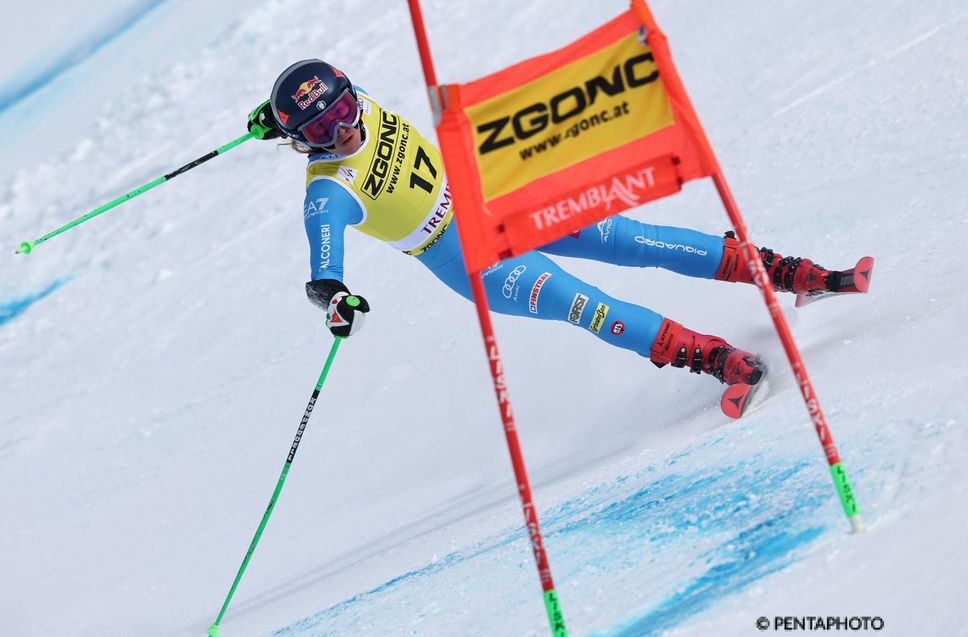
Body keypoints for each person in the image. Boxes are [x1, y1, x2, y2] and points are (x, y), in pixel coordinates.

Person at [247, 59, 860, 389]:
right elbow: (323, 274)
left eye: (344, 109)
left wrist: (277, 116)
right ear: (301, 142)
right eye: (321, 129)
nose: (343, 129)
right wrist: (336, 301)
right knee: (581, 302)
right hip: (468, 258)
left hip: (496, 203)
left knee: (634, 239)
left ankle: (785, 272)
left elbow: (320, 93)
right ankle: (713, 359)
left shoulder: (356, 101)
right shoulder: (328, 191)